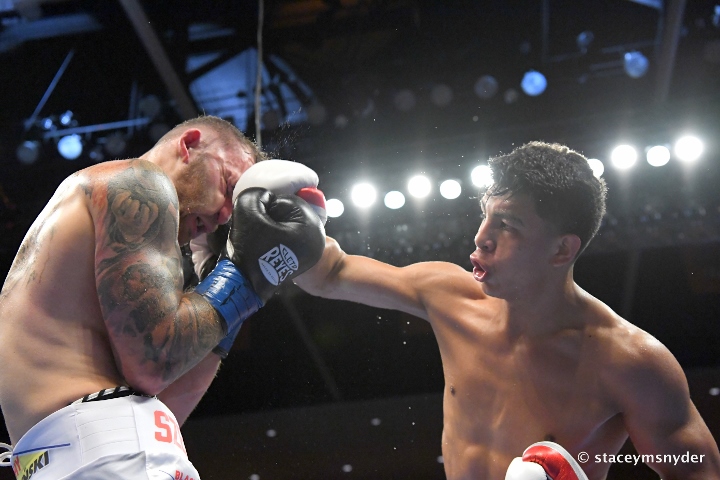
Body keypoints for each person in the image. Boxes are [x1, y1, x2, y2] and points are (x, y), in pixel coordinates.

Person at [294, 141, 720, 480]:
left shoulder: (629, 362)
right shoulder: (447, 295)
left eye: (508, 225)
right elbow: (329, 273)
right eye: (486, 216)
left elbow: (696, 470)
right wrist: (286, 220)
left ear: (561, 249)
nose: (481, 238)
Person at [0, 115, 326, 479]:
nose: (223, 215)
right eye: (228, 184)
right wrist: (244, 275)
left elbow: (163, 405)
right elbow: (154, 365)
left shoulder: (84, 247)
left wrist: (229, 288)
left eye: (233, 213)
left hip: (82, 462)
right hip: (112, 463)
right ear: (189, 145)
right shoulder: (140, 182)